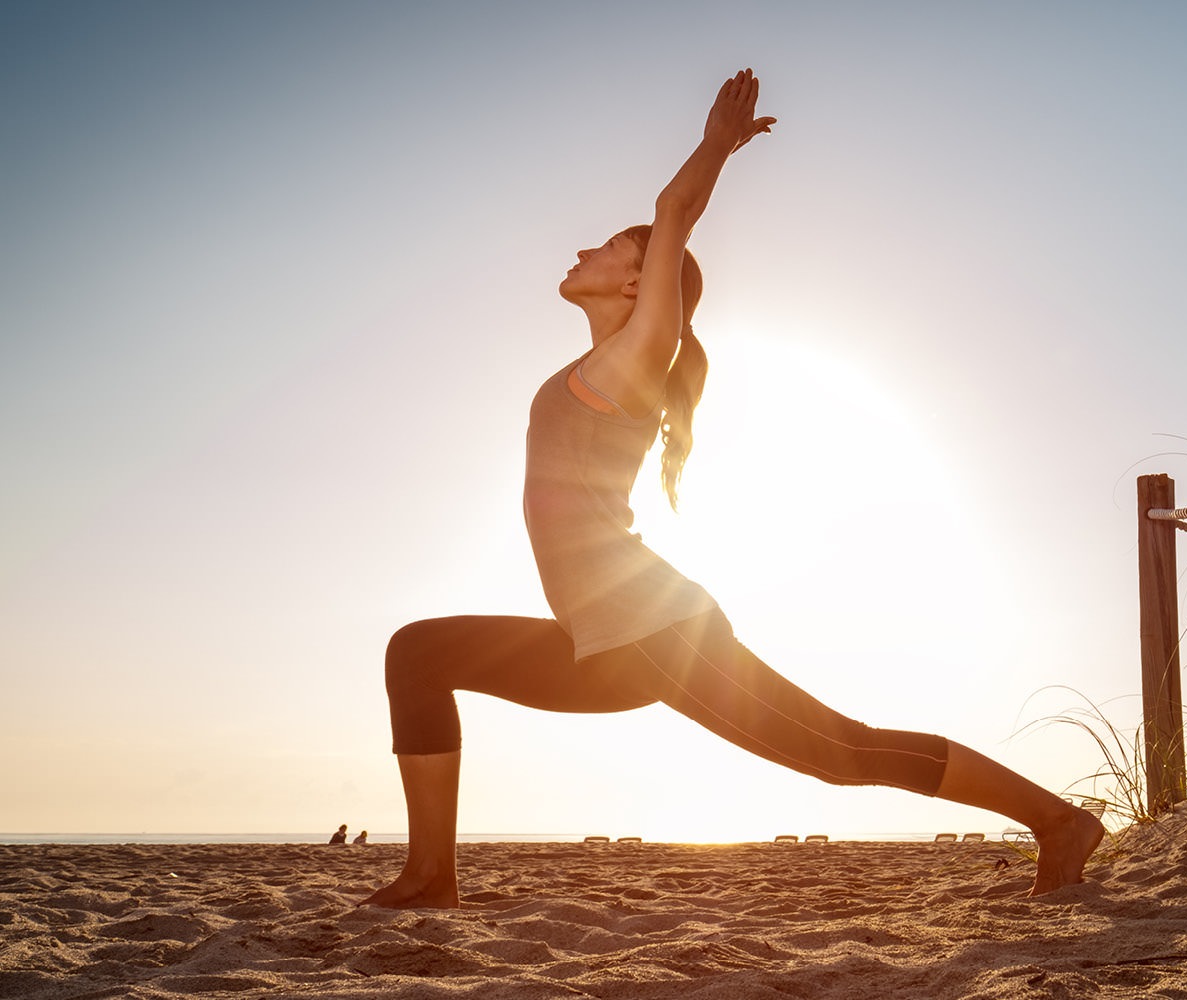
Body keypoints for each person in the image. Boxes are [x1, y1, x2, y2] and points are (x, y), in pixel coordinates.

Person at [359, 69, 1102, 909]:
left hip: (658, 631)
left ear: (644, 286)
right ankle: (431, 877)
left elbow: (673, 214)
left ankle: (1057, 820)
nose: (582, 251)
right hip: (599, 642)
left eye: (610, 247)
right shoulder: (591, 367)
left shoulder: (639, 359)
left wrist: (716, 145)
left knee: (842, 753)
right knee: (417, 653)